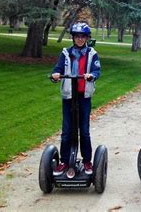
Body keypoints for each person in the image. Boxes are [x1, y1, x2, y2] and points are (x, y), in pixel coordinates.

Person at [50, 22, 101, 176]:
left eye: (83, 37)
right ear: (73, 38)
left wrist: (92, 75)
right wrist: (55, 76)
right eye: (77, 36)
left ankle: (87, 161)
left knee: (84, 131)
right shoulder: (66, 53)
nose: (80, 39)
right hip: (69, 96)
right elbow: (57, 69)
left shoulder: (92, 54)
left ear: (87, 38)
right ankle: (64, 161)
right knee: (66, 131)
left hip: (83, 96)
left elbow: (97, 70)